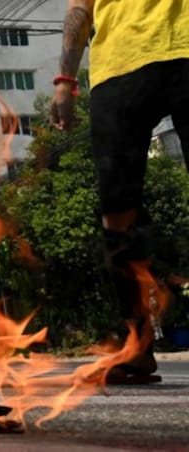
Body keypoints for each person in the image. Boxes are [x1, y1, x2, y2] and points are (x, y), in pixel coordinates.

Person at [49, 0, 189, 382]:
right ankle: (137, 346)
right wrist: (65, 80)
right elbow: (80, 9)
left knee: (119, 215)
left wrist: (66, 80)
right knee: (117, 214)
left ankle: (137, 348)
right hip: (119, 61)